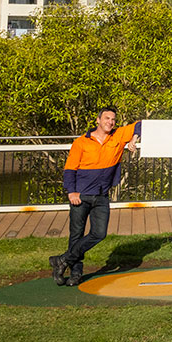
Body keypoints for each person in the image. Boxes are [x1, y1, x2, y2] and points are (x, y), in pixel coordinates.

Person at [53, 106, 139, 286]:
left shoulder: (118, 136)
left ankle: (62, 260)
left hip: (101, 195)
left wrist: (134, 138)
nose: (110, 122)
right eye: (107, 118)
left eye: (113, 119)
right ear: (98, 120)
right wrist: (71, 191)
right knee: (76, 235)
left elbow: (144, 125)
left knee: (99, 233)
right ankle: (75, 273)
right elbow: (69, 169)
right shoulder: (81, 142)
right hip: (80, 195)